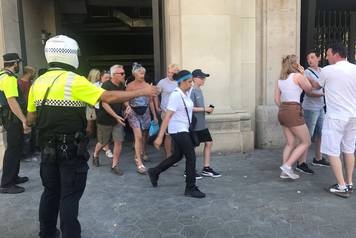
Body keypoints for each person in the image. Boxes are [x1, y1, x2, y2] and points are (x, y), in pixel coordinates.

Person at [26, 35, 158, 238]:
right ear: (70, 55)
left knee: (50, 192)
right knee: (69, 196)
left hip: (47, 149)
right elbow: (108, 96)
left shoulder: (38, 82)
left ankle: (47, 233)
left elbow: (31, 118)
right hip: (70, 149)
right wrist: (144, 91)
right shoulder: (74, 81)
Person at [148, 70, 206, 198]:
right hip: (178, 130)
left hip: (184, 128)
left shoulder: (185, 93)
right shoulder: (176, 95)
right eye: (189, 82)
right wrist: (160, 136)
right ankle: (190, 188)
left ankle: (154, 171)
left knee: (177, 156)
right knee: (191, 157)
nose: (191, 84)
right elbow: (167, 117)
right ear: (182, 82)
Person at [310, 43, 356, 198]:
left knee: (332, 151)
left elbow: (316, 86)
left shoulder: (327, 71)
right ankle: (349, 182)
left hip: (336, 116)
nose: (327, 58)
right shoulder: (355, 69)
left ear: (336, 55)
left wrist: (304, 75)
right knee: (349, 150)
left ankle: (342, 186)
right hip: (353, 115)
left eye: (328, 55)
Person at [274, 54, 312, 180]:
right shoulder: (297, 76)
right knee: (306, 141)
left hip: (283, 110)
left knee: (290, 143)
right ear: (295, 65)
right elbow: (309, 89)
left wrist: (284, 108)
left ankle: (284, 172)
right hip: (293, 110)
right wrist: (303, 74)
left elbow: (276, 99)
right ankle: (287, 165)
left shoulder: (280, 80)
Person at [0, 53, 31, 194]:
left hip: (8, 118)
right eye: (18, 63)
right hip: (13, 119)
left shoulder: (2, 75)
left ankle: (13, 177)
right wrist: (24, 119)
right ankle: (6, 184)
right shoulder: (10, 78)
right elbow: (12, 101)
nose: (19, 66)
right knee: (13, 150)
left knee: (16, 148)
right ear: (15, 63)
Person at [93, 65, 126, 174]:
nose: (123, 75)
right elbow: (104, 104)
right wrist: (116, 116)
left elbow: (123, 98)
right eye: (121, 73)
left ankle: (114, 165)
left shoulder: (121, 85)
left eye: (123, 73)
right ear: (114, 75)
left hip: (118, 119)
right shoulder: (106, 86)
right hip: (105, 119)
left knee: (118, 141)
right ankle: (95, 154)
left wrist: (128, 106)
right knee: (103, 142)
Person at [126, 63, 158, 174]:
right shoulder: (129, 86)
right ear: (135, 74)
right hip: (133, 112)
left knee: (144, 134)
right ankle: (139, 162)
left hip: (145, 112)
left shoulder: (148, 86)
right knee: (138, 136)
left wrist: (154, 115)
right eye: (140, 73)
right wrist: (128, 106)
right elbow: (125, 99)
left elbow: (150, 102)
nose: (142, 75)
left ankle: (141, 152)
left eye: (143, 73)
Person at [301, 51, 330, 169]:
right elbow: (309, 92)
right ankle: (301, 162)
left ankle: (318, 158)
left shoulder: (323, 71)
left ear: (318, 58)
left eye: (312, 57)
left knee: (321, 133)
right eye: (308, 58)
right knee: (307, 136)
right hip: (310, 108)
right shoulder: (306, 72)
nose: (310, 60)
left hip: (320, 107)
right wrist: (325, 94)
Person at [189, 69, 221, 178]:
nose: (203, 80)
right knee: (192, 146)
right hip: (195, 124)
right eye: (201, 78)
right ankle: (189, 170)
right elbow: (189, 108)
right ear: (194, 78)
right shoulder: (191, 91)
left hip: (201, 124)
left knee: (209, 142)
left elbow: (198, 108)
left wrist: (206, 110)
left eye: (204, 78)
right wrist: (205, 109)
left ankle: (206, 168)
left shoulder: (198, 90)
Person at [86, 69, 113, 160]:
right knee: (101, 129)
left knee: (106, 130)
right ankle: (105, 148)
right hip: (98, 109)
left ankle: (104, 147)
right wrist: (92, 104)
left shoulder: (111, 85)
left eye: (109, 77)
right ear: (101, 78)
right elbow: (89, 98)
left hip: (110, 109)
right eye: (106, 77)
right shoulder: (95, 86)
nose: (108, 79)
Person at [155, 64, 180, 159]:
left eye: (172, 73)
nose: (170, 74)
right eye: (168, 72)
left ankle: (177, 153)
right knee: (168, 135)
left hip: (178, 113)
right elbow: (155, 94)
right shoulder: (162, 82)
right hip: (166, 112)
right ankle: (169, 155)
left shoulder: (180, 81)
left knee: (178, 134)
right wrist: (157, 106)